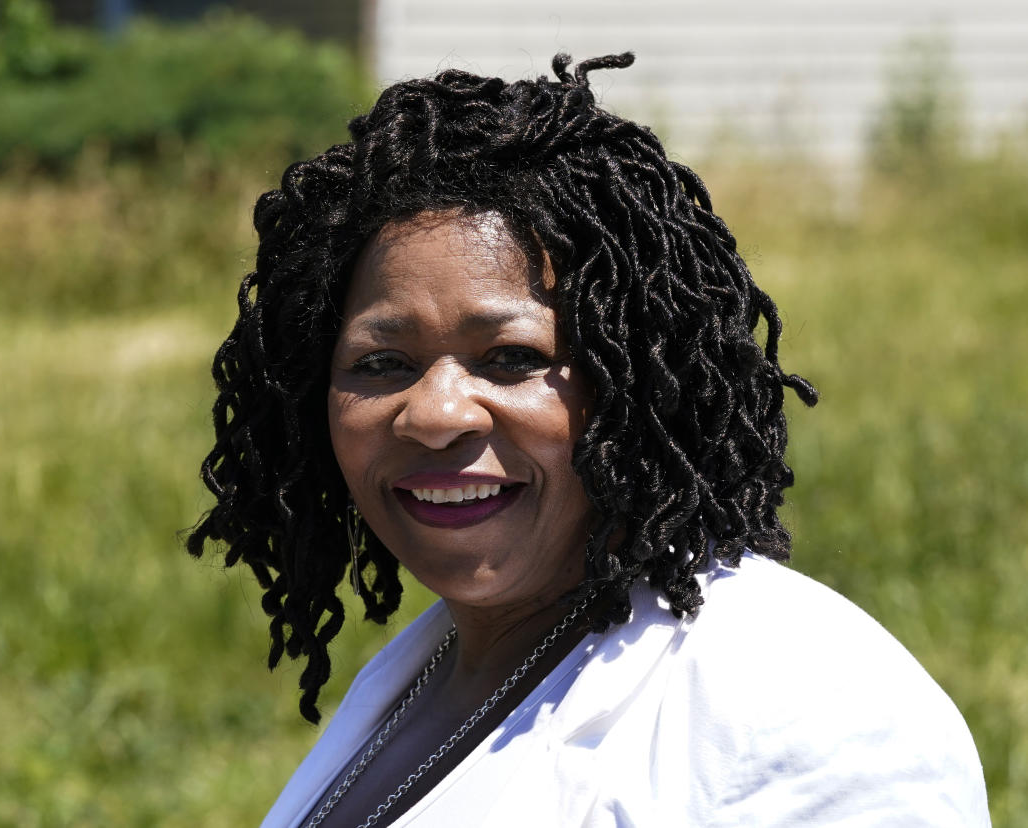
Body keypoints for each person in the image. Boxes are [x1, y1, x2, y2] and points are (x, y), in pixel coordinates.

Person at [188, 53, 989, 827]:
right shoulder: (422, 674)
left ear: (639, 378)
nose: (434, 414)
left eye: (512, 358)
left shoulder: (795, 702)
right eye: (382, 362)